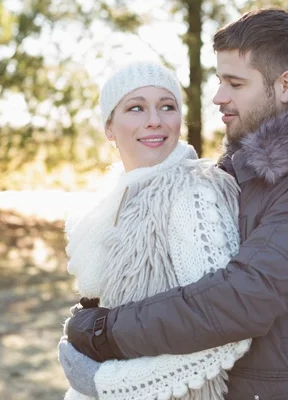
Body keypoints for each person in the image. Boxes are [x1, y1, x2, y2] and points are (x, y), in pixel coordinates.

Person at [62, 8, 288, 400]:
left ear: (285, 85)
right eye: (219, 81)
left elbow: (244, 297)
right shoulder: (241, 169)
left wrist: (106, 332)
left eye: (234, 83)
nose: (218, 97)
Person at [58, 61, 251, 400]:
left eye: (167, 106)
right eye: (136, 107)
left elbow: (226, 334)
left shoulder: (191, 192)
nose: (155, 120)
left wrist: (107, 382)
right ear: (109, 128)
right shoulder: (112, 196)